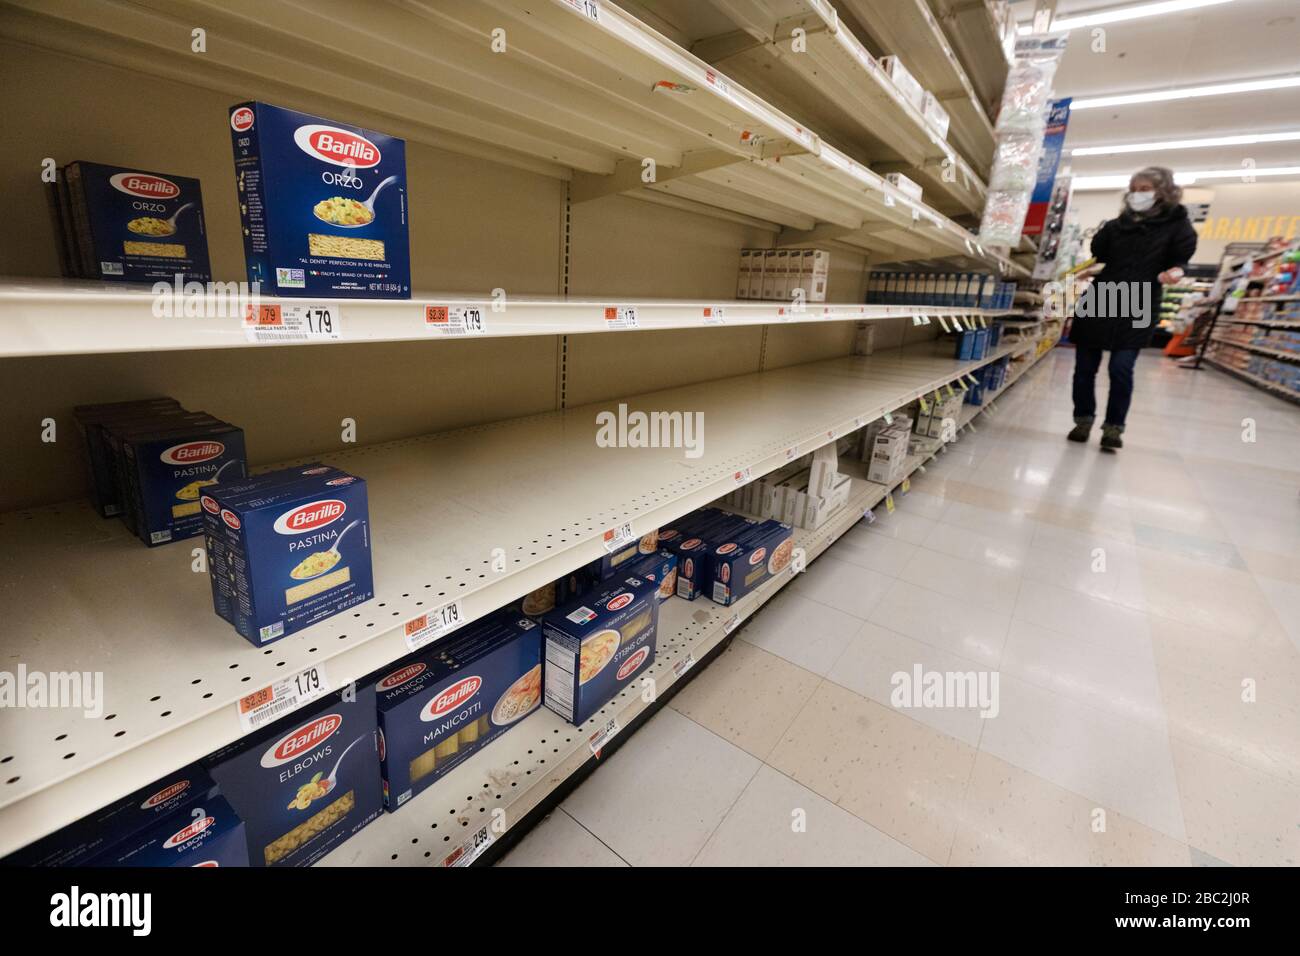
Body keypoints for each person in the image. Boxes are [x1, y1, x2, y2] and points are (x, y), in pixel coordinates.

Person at [1067, 166, 1198, 450]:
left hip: (1140, 300)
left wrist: (1175, 271)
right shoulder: (1117, 225)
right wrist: (1092, 266)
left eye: (1144, 189)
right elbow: (1100, 253)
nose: (1137, 195)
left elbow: (1180, 260)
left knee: (1121, 368)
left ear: (1163, 193)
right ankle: (1083, 419)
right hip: (1103, 297)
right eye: (1134, 189)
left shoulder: (1178, 226)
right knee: (1084, 368)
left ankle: (1114, 427)